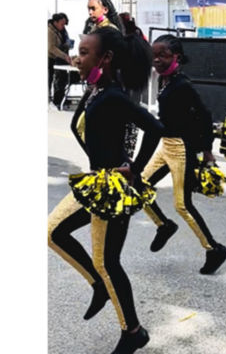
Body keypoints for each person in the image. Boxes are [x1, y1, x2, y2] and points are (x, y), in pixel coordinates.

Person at [47, 26, 161, 354]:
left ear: (105, 58)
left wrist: (134, 169)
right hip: (96, 183)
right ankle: (98, 285)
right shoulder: (96, 90)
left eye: (84, 53)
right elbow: (81, 127)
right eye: (78, 52)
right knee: (54, 233)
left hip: (113, 189)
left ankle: (133, 332)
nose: (76, 58)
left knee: (108, 261)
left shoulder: (113, 95)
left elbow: (155, 128)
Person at [140, 34, 226, 274]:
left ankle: (214, 249)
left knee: (183, 205)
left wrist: (207, 151)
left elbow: (205, 115)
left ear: (176, 57)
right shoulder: (166, 80)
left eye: (163, 55)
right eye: (154, 55)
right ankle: (164, 225)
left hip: (181, 149)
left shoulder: (183, 85)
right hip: (166, 146)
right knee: (138, 187)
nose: (157, 60)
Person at [85, 0, 139, 160]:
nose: (90, 13)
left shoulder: (110, 31)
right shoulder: (96, 28)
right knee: (84, 126)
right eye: (88, 9)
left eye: (93, 8)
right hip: (98, 84)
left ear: (105, 9)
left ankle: (116, 163)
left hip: (108, 85)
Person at [49, 13, 71, 109]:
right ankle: (51, 101)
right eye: (62, 24)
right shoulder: (49, 31)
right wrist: (64, 56)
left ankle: (55, 100)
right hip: (50, 58)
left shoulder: (59, 31)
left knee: (56, 79)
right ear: (55, 22)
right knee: (50, 80)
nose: (63, 27)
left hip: (56, 58)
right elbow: (51, 48)